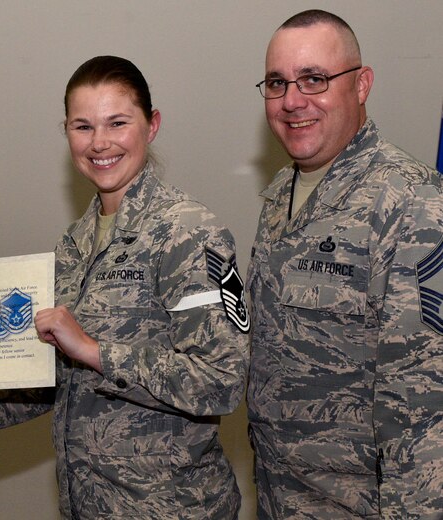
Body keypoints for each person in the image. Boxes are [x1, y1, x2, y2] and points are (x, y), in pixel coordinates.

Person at [0, 55, 250, 518]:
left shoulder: (190, 233)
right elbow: (55, 376)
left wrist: (96, 351)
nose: (99, 143)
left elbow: (222, 381)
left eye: (117, 123)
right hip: (87, 505)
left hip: (171, 507)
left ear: (152, 124)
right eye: (82, 126)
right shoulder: (73, 244)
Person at [248, 9, 443, 519]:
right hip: (279, 499)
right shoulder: (279, 202)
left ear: (362, 85)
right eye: (277, 82)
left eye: (314, 79)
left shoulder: (412, 203)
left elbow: (424, 411)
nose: (293, 101)